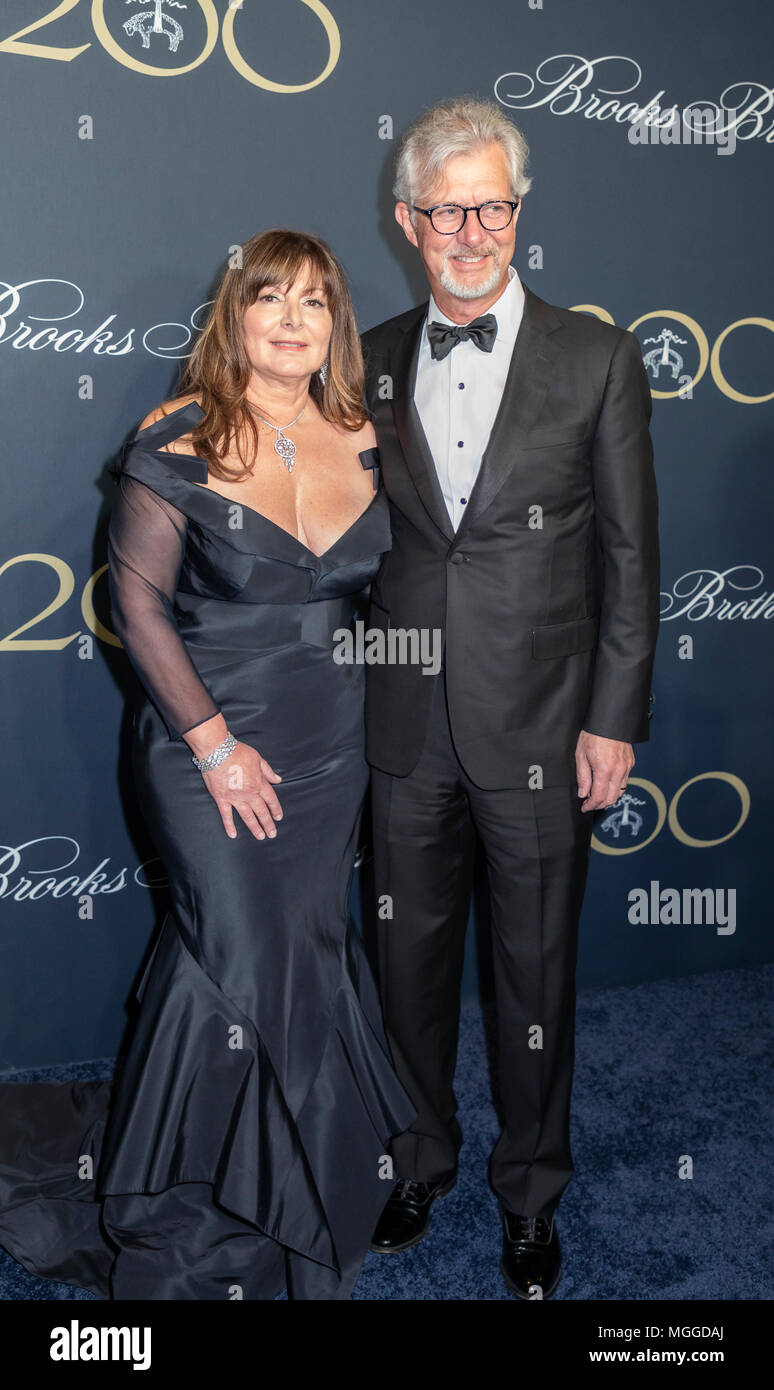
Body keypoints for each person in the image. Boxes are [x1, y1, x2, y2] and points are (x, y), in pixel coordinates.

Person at [0, 228, 415, 1301]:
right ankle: (197, 1219)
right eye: (269, 297)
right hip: (206, 742)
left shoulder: (369, 436)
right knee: (238, 956)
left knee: (302, 958)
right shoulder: (177, 437)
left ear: (335, 327)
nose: (292, 319)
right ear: (233, 315)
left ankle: (274, 1188)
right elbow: (136, 604)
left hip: (333, 745)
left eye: (316, 302)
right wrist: (215, 745)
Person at [361, 97, 660, 1298]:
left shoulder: (600, 357)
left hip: (546, 722)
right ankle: (417, 1156)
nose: (469, 230)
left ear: (519, 212)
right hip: (401, 728)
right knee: (405, 965)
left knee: (534, 976)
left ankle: (531, 1193)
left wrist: (615, 715)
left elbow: (632, 559)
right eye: (445, 210)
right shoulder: (367, 358)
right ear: (407, 222)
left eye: (490, 205)